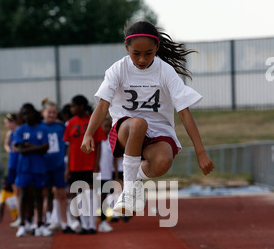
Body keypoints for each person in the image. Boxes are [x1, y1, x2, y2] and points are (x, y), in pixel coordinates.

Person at [81, 20, 215, 215]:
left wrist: (201, 152)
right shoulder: (118, 69)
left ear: (157, 48)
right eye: (136, 54)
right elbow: (102, 105)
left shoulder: (165, 71)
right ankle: (128, 191)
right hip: (126, 129)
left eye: (148, 54)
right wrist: (88, 133)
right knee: (138, 123)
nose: (142, 60)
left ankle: (134, 180)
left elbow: (184, 113)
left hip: (158, 131)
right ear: (127, 47)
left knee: (162, 164)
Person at [64, 95, 106, 234]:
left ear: (81, 106)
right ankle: (83, 224)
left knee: (91, 195)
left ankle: (92, 225)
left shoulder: (93, 122)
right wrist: (68, 167)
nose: (71, 109)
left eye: (74, 106)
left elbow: (99, 144)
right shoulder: (70, 123)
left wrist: (95, 165)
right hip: (75, 166)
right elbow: (69, 147)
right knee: (79, 195)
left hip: (89, 165)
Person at [14, 103, 51, 237]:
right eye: (24, 114)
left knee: (38, 196)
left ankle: (39, 224)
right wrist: (36, 147)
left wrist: (29, 146)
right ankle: (23, 224)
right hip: (25, 167)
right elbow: (20, 149)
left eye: (29, 113)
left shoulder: (42, 129)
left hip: (39, 167)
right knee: (24, 195)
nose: (27, 116)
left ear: (34, 113)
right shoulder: (20, 130)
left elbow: (46, 147)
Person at [41, 98, 74, 234]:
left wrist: (66, 163)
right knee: (44, 195)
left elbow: (68, 145)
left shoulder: (61, 127)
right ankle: (44, 221)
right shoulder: (39, 127)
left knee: (61, 194)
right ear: (43, 112)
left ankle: (64, 223)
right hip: (43, 166)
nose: (52, 115)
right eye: (49, 112)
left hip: (58, 166)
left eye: (54, 112)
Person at [3, 113, 20, 226]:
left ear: (13, 122)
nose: (6, 125)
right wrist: (9, 149)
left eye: (8, 122)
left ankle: (22, 216)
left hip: (19, 165)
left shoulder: (19, 132)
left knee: (19, 192)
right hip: (12, 165)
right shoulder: (10, 133)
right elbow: (6, 144)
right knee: (16, 192)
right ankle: (20, 216)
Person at [98, 117, 114, 232]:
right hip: (97, 173)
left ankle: (103, 221)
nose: (107, 129)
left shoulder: (111, 139)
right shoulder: (97, 140)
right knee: (96, 198)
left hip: (107, 174)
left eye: (110, 126)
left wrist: (115, 176)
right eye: (105, 126)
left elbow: (113, 159)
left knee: (104, 198)